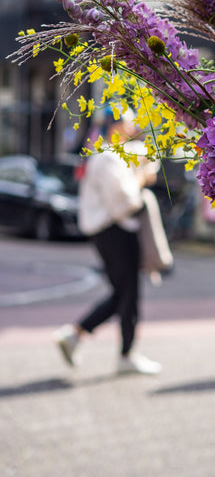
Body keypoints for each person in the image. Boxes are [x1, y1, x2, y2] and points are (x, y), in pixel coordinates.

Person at [54, 113, 162, 375]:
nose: (134, 126)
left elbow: (152, 155)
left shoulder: (114, 153)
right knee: (128, 294)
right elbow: (125, 202)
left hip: (113, 232)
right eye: (129, 121)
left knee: (122, 293)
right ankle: (124, 354)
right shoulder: (106, 158)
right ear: (116, 125)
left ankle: (76, 335)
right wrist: (142, 178)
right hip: (115, 232)